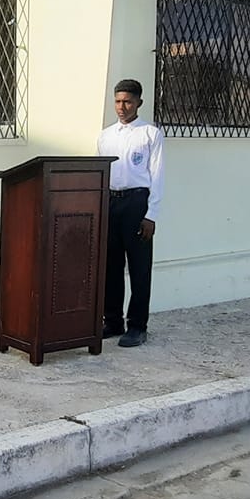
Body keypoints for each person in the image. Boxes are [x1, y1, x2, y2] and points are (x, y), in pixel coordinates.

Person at [98, 79, 165, 348]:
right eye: (117, 101)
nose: (122, 107)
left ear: (139, 102)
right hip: (111, 202)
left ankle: (137, 325)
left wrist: (151, 214)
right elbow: (101, 173)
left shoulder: (150, 134)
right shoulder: (106, 136)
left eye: (127, 101)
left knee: (138, 267)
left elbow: (157, 175)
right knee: (110, 266)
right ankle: (112, 320)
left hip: (137, 203)